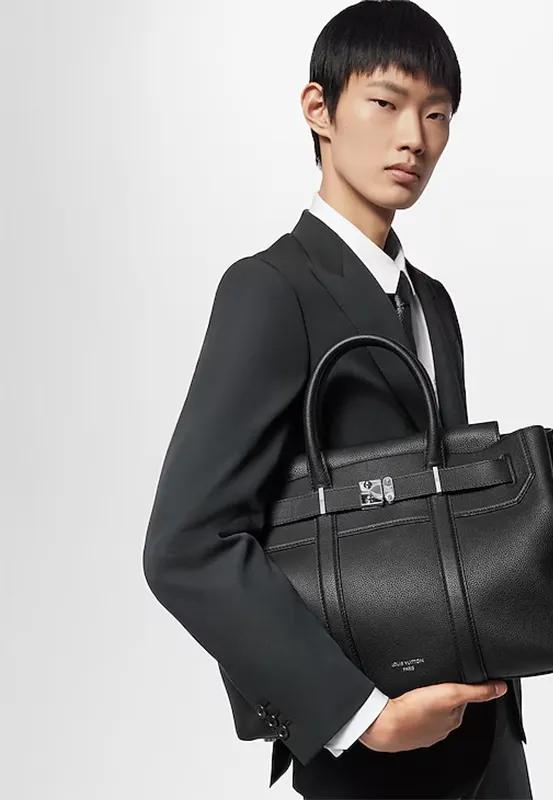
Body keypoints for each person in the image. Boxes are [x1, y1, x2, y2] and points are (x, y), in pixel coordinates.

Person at [143, 1, 532, 797]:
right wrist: (357, 716)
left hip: (488, 747)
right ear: (319, 110)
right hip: (372, 760)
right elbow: (187, 545)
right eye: (386, 103)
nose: (413, 138)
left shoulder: (432, 301)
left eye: (436, 114)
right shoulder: (269, 290)